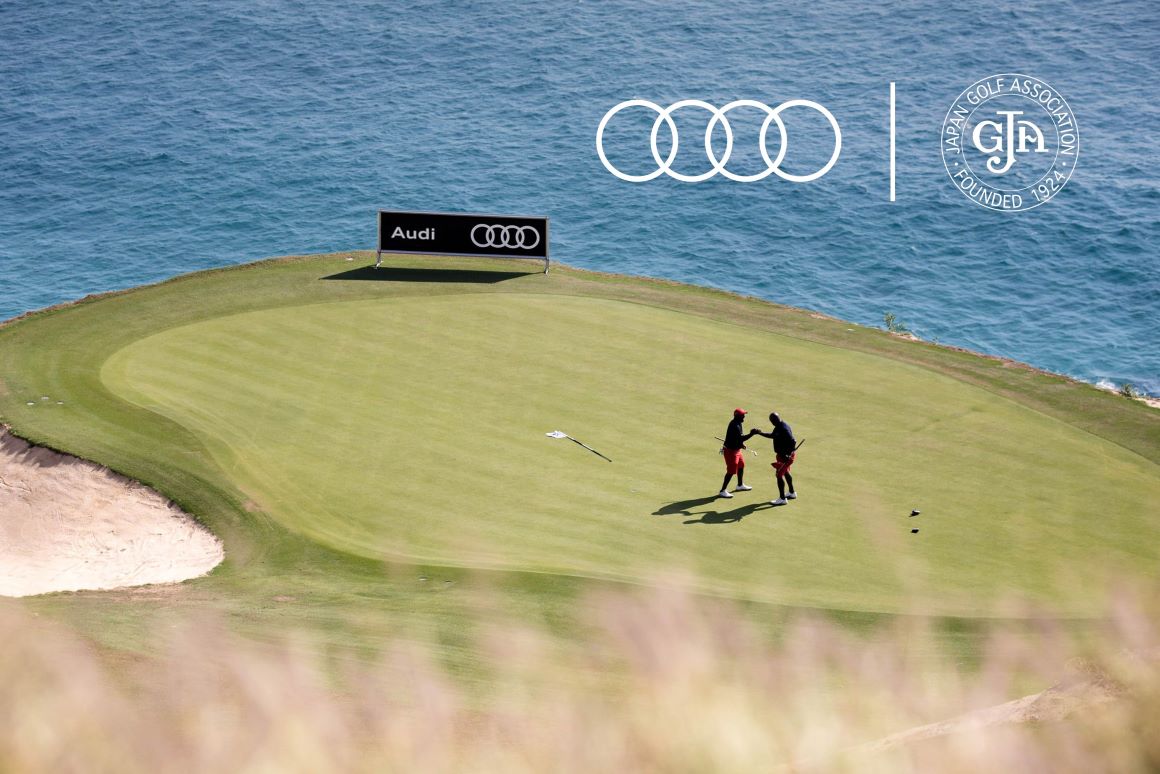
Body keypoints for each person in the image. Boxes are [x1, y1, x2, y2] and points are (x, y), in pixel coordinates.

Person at [750, 411, 797, 505]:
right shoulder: (779, 426)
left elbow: (793, 441)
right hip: (782, 455)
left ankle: (782, 499)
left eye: (772, 421)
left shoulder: (783, 428)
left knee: (779, 475)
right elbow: (772, 436)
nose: (772, 423)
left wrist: (788, 454)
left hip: (785, 456)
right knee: (786, 472)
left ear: (774, 420)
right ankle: (792, 493)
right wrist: (760, 433)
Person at [718, 408, 756, 498]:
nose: (744, 417)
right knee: (731, 471)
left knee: (741, 465)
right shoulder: (734, 425)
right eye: (743, 415)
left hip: (736, 450)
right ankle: (722, 491)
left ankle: (740, 485)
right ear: (737, 416)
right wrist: (752, 434)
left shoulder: (738, 423)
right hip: (730, 451)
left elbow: (737, 438)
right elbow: (741, 438)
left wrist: (740, 444)